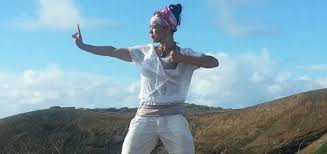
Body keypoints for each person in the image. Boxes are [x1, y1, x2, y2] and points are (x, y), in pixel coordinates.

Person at [72, 4, 218, 154]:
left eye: (154, 26)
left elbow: (213, 62)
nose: (149, 31)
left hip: (175, 118)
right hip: (144, 117)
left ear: (167, 28)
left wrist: (182, 58)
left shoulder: (186, 53)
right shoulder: (145, 52)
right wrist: (84, 46)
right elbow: (113, 51)